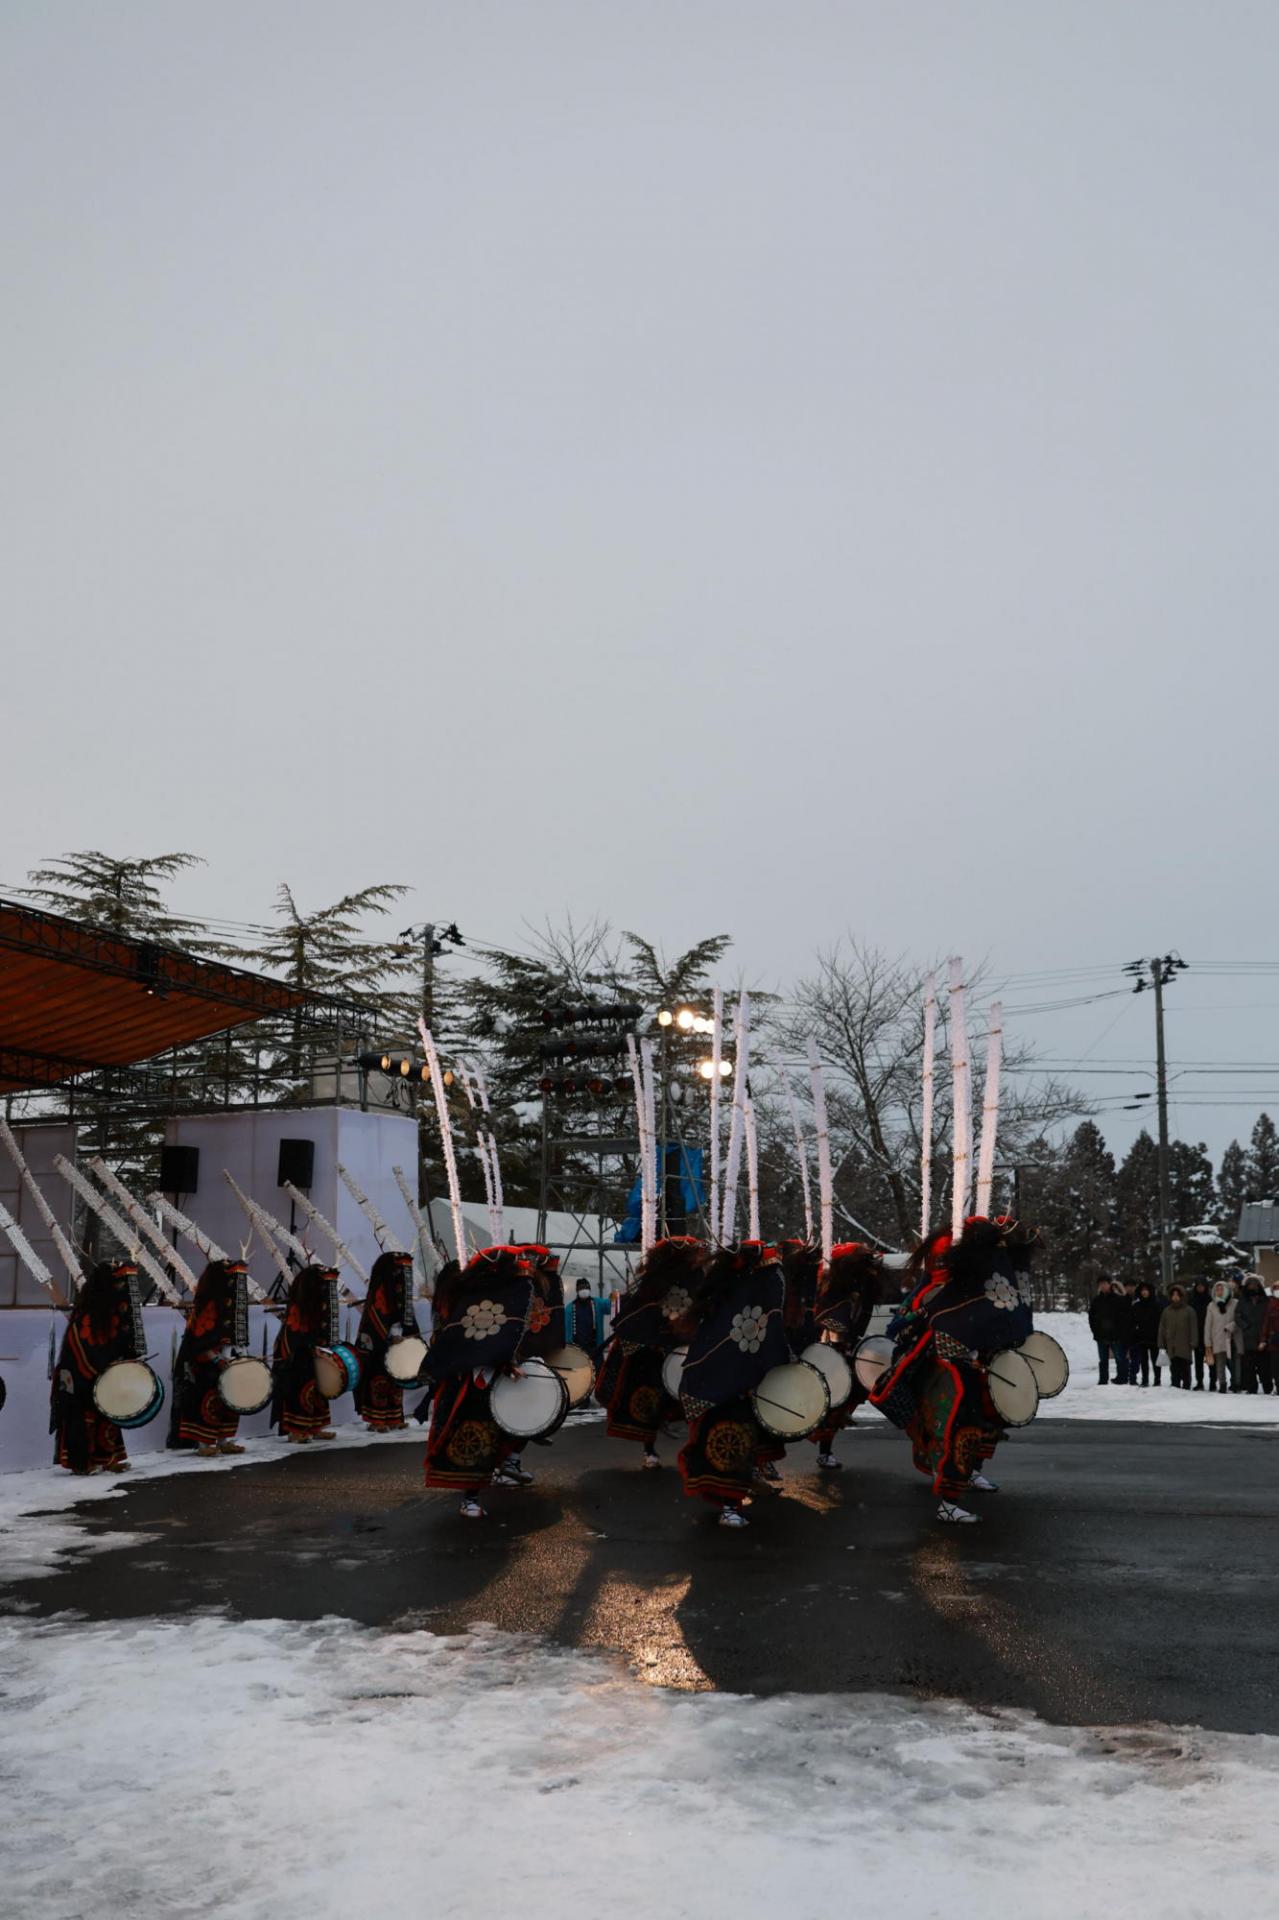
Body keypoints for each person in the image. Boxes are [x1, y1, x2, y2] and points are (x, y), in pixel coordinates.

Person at [870, 1216, 1037, 1524]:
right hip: (942, 1370)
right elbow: (906, 1326)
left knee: (986, 1421)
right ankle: (948, 1498)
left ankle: (971, 1473)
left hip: (975, 1366)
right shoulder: (932, 1292)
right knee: (957, 1428)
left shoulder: (977, 1282)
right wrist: (919, 1326)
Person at [677, 1240, 788, 1528]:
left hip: (735, 1383)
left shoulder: (751, 1292)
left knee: (744, 1438)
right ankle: (729, 1504)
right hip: (722, 1385)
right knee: (731, 1441)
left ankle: (745, 1485)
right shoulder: (741, 1295)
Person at [422, 1246, 533, 1519]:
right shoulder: (463, 1301)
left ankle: (504, 1469)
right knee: (467, 1436)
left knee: (500, 1434)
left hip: (491, 1378)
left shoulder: (507, 1300)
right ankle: (469, 1497)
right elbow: (457, 1341)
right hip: (464, 1381)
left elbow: (500, 1340)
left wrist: (507, 1364)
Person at [595, 1236, 704, 1468]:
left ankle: (692, 1447)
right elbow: (642, 1309)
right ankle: (649, 1449)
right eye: (694, 1252)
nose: (699, 1256)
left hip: (681, 1346)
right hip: (651, 1349)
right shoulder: (657, 1279)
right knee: (648, 1397)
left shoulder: (697, 1277)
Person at [51, 1259, 147, 1474]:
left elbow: (113, 1343)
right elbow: (83, 1347)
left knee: (107, 1413)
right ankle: (83, 1462)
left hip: (101, 1374)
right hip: (80, 1375)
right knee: (85, 1418)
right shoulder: (86, 1316)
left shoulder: (108, 1315)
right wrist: (100, 1370)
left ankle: (108, 1458)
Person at [808, 1240, 881, 1468]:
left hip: (845, 1348)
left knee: (839, 1402)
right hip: (825, 1350)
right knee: (823, 1400)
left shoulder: (862, 1286)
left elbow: (859, 1317)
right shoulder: (830, 1286)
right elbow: (824, 1318)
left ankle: (825, 1451)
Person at [168, 1257, 252, 1455]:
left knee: (230, 1399)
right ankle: (204, 1444)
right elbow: (199, 1341)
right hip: (206, 1363)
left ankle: (224, 1440)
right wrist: (216, 1359)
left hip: (227, 1360)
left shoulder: (234, 1307)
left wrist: (240, 1355)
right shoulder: (208, 1304)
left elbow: (234, 1336)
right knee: (207, 1400)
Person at [270, 1262, 341, 1443]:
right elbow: (298, 1334)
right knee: (298, 1388)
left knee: (317, 1387)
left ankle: (315, 1427)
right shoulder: (299, 1307)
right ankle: (296, 1430)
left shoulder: (314, 1305)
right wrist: (312, 1346)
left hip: (309, 1350)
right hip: (295, 1353)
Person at [353, 1249, 420, 1432]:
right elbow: (377, 1318)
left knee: (395, 1377)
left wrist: (409, 1334)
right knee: (378, 1377)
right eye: (400, 1271)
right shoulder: (381, 1290)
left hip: (394, 1340)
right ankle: (376, 1420)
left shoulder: (400, 1292)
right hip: (378, 1342)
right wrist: (389, 1337)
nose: (404, 1277)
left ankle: (393, 1417)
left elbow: (406, 1314)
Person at [1157, 1285, 1198, 1390]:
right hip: (1171, 1344)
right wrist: (1161, 1342)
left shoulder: (1189, 1310)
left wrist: (1194, 1341)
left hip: (1185, 1344)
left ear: (1182, 1296)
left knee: (1185, 1368)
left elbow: (1193, 1327)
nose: (1175, 1297)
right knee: (1174, 1367)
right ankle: (1175, 1385)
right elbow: (1162, 1327)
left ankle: (1186, 1386)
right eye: (1173, 1295)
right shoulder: (1167, 1311)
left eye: (1177, 1295)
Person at [1088, 1276, 1125, 1386]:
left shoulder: (1118, 1299)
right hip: (1101, 1335)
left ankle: (1121, 1378)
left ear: (1110, 1284)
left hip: (1116, 1335)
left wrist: (1120, 1331)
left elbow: (1123, 1317)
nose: (1103, 1286)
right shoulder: (1096, 1300)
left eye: (1105, 1283)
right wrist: (1095, 1331)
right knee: (1103, 1359)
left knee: (1119, 1358)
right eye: (1100, 1284)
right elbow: (1091, 1317)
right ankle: (1103, 1379)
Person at [1234, 1276, 1268, 1395]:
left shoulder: (1265, 1300)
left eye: (1255, 1285)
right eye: (1250, 1285)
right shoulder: (1242, 1300)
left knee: (1264, 1366)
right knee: (1249, 1366)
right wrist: (1245, 1327)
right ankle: (1251, 1388)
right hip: (1248, 1338)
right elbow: (1237, 1316)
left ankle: (1267, 1387)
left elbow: (1269, 1316)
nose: (1253, 1287)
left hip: (1263, 1338)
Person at [1127, 1280, 1161, 1388]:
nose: (1144, 1292)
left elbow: (1161, 1322)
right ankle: (1145, 1380)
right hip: (1141, 1338)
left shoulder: (1156, 1305)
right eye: (1142, 1290)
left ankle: (1157, 1380)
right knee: (1144, 1361)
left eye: (1146, 1290)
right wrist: (1135, 1333)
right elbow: (1132, 1322)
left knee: (1156, 1360)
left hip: (1154, 1337)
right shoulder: (1136, 1306)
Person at [1204, 1281, 1235, 1394]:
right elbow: (1208, 1325)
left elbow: (1238, 1319)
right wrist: (1207, 1342)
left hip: (1231, 1339)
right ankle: (1222, 1384)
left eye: (1222, 1289)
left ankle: (1235, 1382)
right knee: (1220, 1365)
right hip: (1216, 1339)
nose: (1219, 1291)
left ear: (1227, 1290)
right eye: (1217, 1289)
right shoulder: (1211, 1305)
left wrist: (1231, 1327)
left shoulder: (1234, 1303)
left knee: (1232, 1364)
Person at [1189, 1278, 1212, 1390]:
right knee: (1198, 1362)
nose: (1200, 1288)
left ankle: (1213, 1382)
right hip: (1196, 1334)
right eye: (1198, 1286)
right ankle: (1199, 1382)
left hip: (1209, 1334)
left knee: (1211, 1361)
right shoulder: (1192, 1300)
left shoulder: (1211, 1300)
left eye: (1202, 1285)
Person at [1261, 1284, 1279, 1396]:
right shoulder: (1270, 1303)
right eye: (1276, 1289)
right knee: (1275, 1367)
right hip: (1274, 1341)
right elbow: (1266, 1323)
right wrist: (1263, 1339)